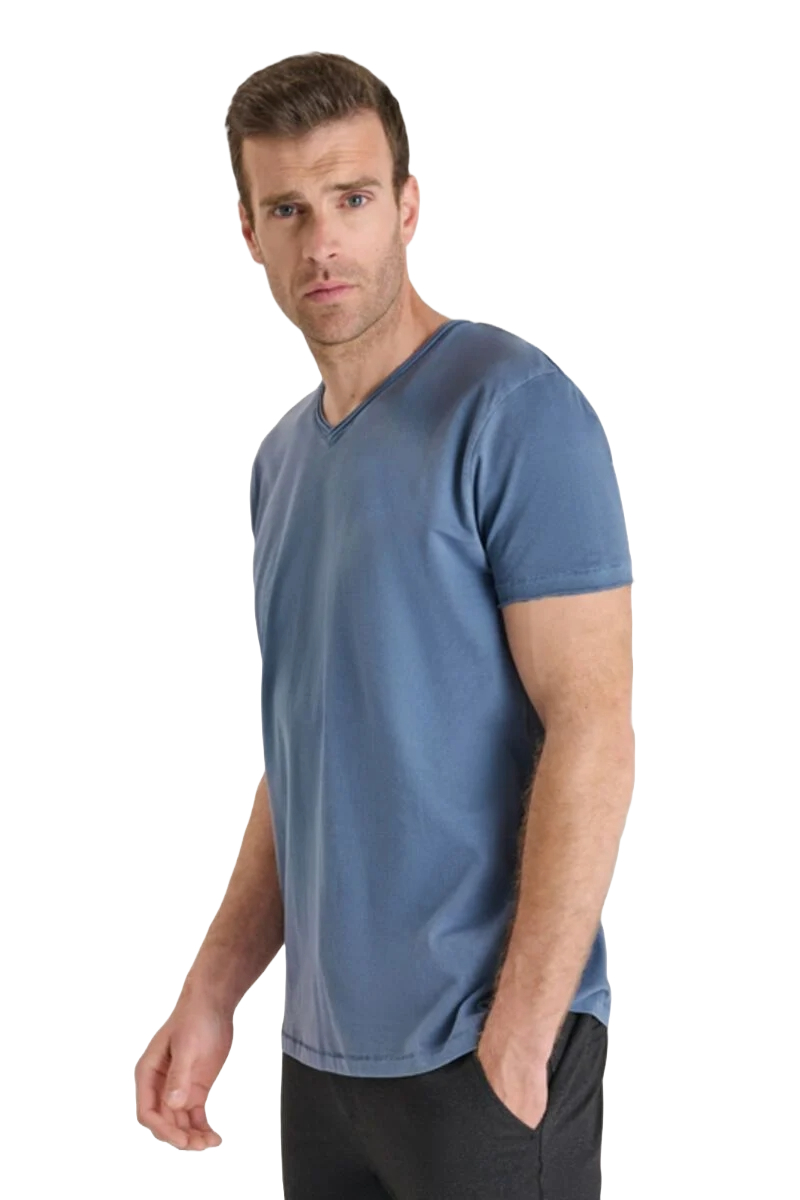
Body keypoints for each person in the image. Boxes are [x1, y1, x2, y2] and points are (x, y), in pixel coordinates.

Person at [134, 51, 635, 1199]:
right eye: (287, 210)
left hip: (481, 1051)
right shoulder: (280, 464)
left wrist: (518, 1044)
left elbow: (593, 728)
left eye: (351, 198)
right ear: (249, 233)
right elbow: (307, 757)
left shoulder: (512, 410)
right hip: (322, 1066)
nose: (322, 242)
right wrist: (214, 989)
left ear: (406, 206)